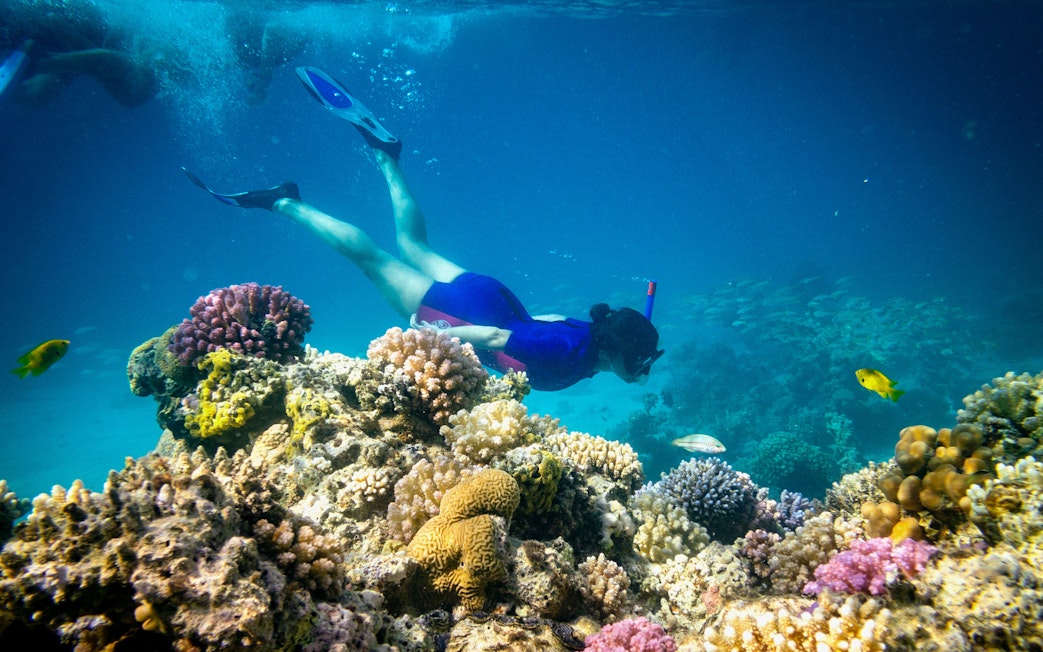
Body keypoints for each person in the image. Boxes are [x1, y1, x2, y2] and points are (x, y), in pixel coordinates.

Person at [185, 66, 664, 391]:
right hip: (464, 315)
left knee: (412, 244)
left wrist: (627, 358)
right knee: (371, 259)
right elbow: (496, 341)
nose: (645, 371)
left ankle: (386, 155)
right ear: (621, 354)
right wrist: (432, 332)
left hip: (494, 297)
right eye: (643, 363)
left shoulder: (592, 336)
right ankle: (284, 202)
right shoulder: (568, 354)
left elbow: (552, 319)